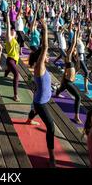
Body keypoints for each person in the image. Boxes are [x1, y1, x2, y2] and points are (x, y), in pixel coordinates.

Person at [26, 16, 56, 167]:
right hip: (41, 102)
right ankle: (52, 158)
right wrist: (44, 28)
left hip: (41, 100)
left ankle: (29, 119)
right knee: (51, 127)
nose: (49, 56)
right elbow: (45, 47)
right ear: (42, 58)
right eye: (47, 56)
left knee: (35, 111)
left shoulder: (42, 67)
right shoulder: (39, 67)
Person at [55, 22, 82, 124]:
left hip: (68, 81)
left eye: (74, 50)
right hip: (68, 82)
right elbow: (74, 43)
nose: (73, 50)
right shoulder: (68, 57)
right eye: (72, 50)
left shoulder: (75, 61)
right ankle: (76, 116)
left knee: (61, 89)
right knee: (78, 97)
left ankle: (57, 92)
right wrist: (75, 32)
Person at [4, 12, 20, 102]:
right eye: (12, 30)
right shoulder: (9, 39)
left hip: (14, 61)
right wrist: (7, 18)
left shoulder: (15, 40)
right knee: (17, 75)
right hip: (10, 60)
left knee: (9, 70)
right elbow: (8, 28)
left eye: (14, 30)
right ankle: (15, 95)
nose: (13, 30)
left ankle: (6, 73)